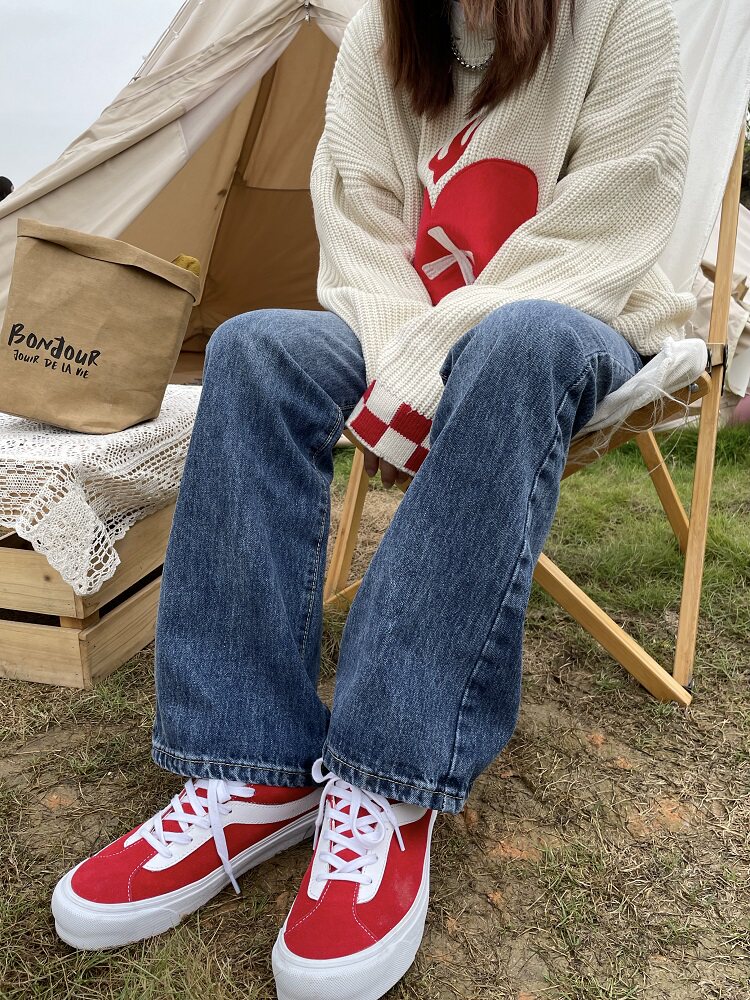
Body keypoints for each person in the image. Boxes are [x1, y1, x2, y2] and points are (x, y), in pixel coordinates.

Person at [51, 0, 696, 996]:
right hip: (403, 324)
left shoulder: (623, 16)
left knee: (516, 342)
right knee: (256, 348)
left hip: (581, 311)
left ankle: (385, 781)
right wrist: (415, 359)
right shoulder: (379, 31)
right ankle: (249, 768)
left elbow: (610, 223)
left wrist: (431, 362)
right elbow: (356, 227)